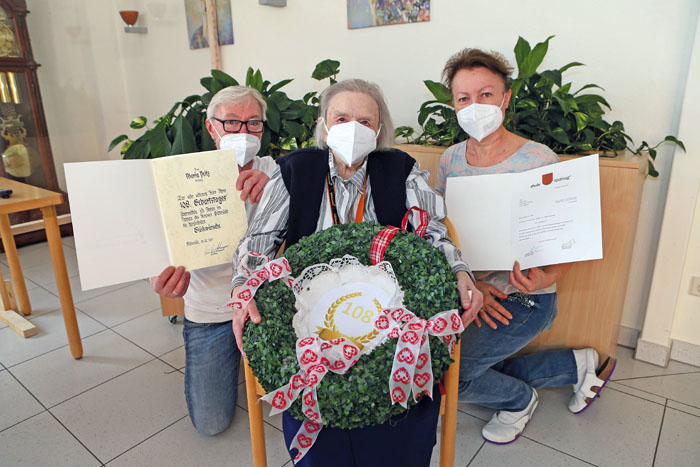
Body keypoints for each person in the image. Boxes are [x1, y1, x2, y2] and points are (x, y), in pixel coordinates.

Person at [230, 78, 484, 466]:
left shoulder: (401, 170)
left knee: (398, 423)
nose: (353, 128)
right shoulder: (294, 171)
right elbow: (257, 242)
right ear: (325, 125)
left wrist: (461, 271)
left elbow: (432, 231)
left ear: (380, 130)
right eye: (342, 117)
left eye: (365, 121)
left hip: (389, 313)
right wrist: (243, 290)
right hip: (309, 317)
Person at [436, 48, 617, 445]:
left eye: (486, 94)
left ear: (505, 97)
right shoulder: (450, 160)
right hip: (469, 291)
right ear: (453, 105)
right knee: (437, 360)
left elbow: (568, 233)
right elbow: (439, 231)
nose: (475, 106)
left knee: (447, 374)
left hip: (523, 297)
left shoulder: (537, 158)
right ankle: (572, 365)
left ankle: (519, 399)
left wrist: (546, 277)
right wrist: (472, 285)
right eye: (463, 98)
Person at [151, 86, 276, 436]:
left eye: (253, 123)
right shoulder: (181, 177)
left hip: (265, 304)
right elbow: (158, 248)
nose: (243, 133)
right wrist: (159, 281)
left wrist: (279, 188)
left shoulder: (277, 172)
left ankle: (250, 354)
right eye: (232, 122)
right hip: (211, 311)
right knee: (211, 423)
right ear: (211, 128)